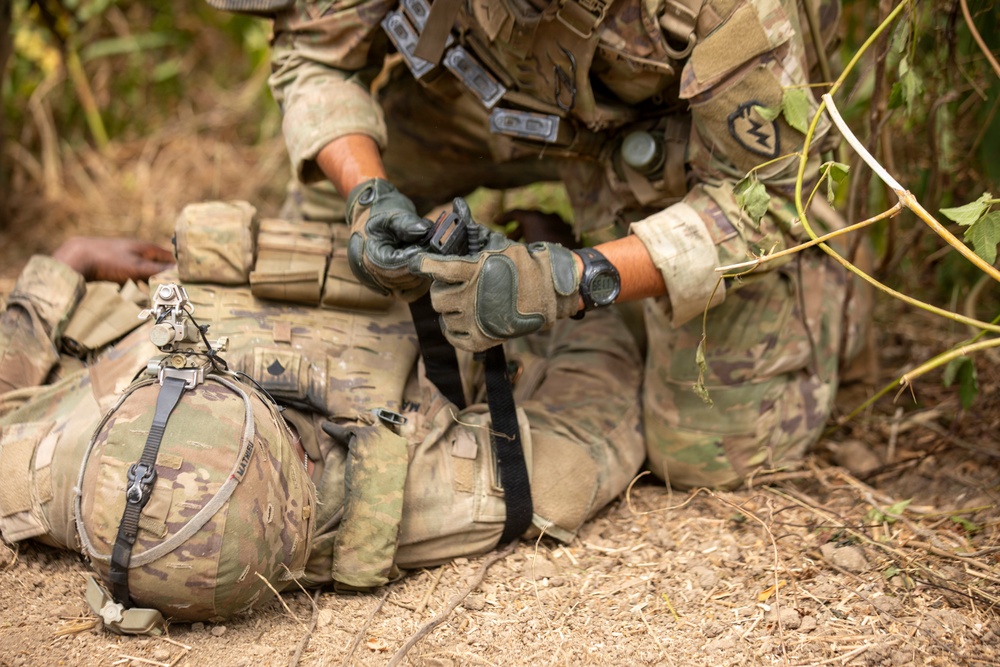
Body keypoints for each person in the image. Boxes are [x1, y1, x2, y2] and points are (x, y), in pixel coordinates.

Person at [247, 0, 869, 491]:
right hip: (487, 97)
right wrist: (367, 195)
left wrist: (573, 277)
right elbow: (314, 54)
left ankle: (823, 287)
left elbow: (773, 198)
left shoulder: (723, 9)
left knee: (707, 450)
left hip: (662, 143)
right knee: (329, 221)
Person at [0, 196, 645, 632]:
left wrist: (73, 259)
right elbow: (585, 426)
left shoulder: (58, 472)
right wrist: (553, 263)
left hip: (315, 232)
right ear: (306, 505)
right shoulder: (401, 491)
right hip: (431, 290)